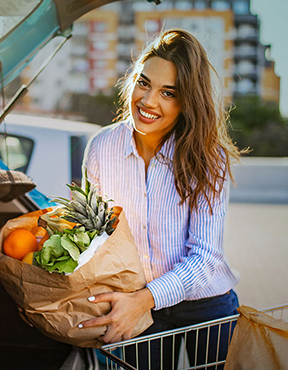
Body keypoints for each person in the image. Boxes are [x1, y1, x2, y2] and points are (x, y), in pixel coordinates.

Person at [80, 28, 242, 368]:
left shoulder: (208, 157)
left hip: (205, 303)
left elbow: (206, 256)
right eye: (143, 83)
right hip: (132, 304)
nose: (149, 101)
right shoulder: (101, 148)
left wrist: (147, 298)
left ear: (187, 102)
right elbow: (95, 236)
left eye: (168, 93)